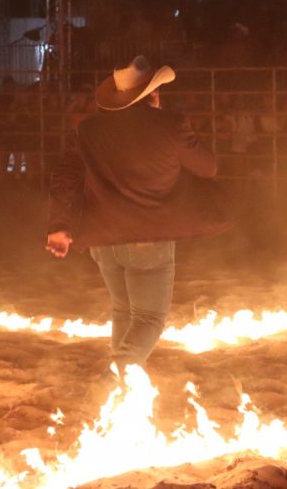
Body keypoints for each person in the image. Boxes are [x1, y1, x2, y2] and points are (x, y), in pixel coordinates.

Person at [46, 55, 230, 376]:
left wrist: (59, 226)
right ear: (153, 95)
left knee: (124, 311)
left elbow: (64, 178)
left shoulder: (89, 130)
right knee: (149, 318)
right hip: (148, 238)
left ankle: (121, 391)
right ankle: (119, 370)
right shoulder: (170, 125)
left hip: (103, 239)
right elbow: (208, 167)